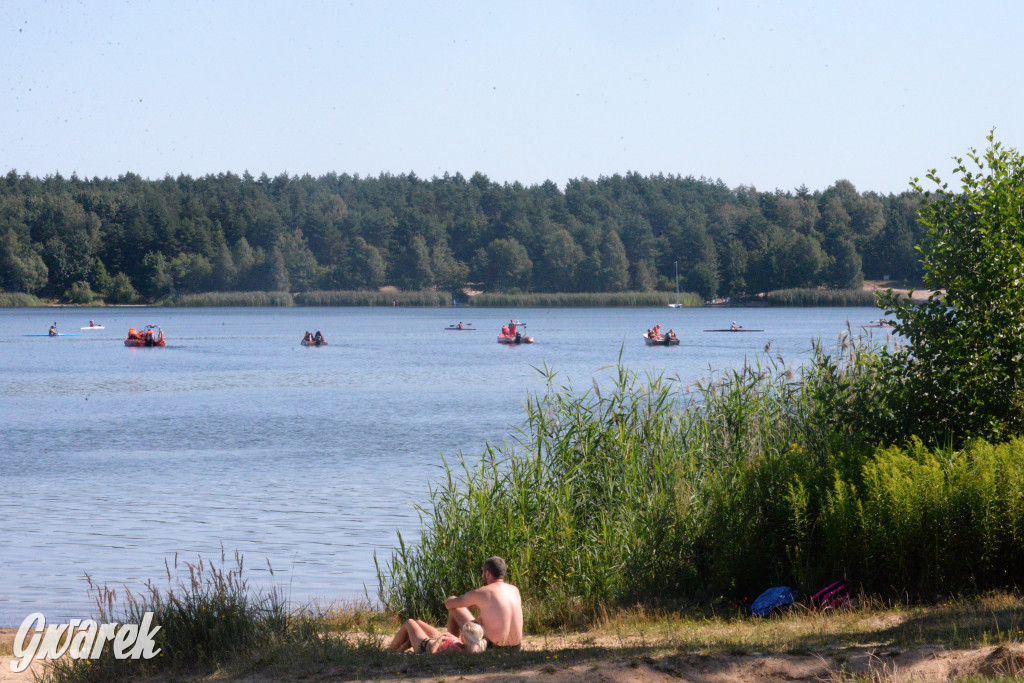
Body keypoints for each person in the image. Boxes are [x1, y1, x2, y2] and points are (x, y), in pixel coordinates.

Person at [445, 556, 523, 651]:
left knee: (454, 607)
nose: (482, 575)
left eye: (482, 572)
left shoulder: (483, 592)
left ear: (487, 573)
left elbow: (450, 604)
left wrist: (464, 603)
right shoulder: (514, 590)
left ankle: (454, 646)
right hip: (516, 648)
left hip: (493, 648)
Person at [389, 619, 486, 654]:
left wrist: (440, 639)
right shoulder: (476, 647)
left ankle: (391, 649)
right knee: (418, 622)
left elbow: (433, 655)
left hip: (424, 645)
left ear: (465, 638)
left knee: (410, 622)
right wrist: (451, 637)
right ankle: (399, 650)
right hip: (443, 639)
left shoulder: (455, 649)